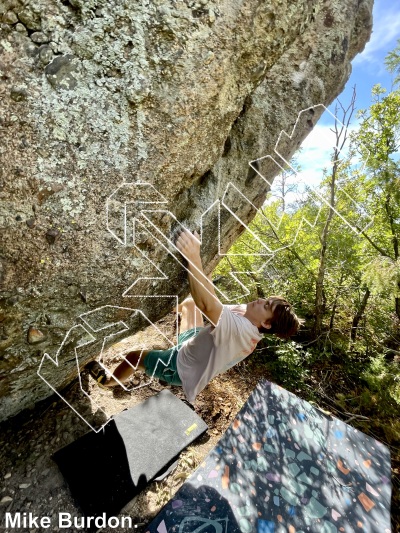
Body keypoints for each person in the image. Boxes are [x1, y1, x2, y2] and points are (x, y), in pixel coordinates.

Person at [86, 230, 301, 404]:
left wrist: (193, 256)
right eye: (267, 299)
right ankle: (158, 312)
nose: (262, 300)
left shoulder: (241, 331)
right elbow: (213, 300)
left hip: (181, 366)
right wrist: (202, 271)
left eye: (267, 306)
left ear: (265, 323)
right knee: (189, 305)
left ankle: (108, 381)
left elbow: (206, 304)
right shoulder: (248, 315)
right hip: (198, 341)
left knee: (134, 357)